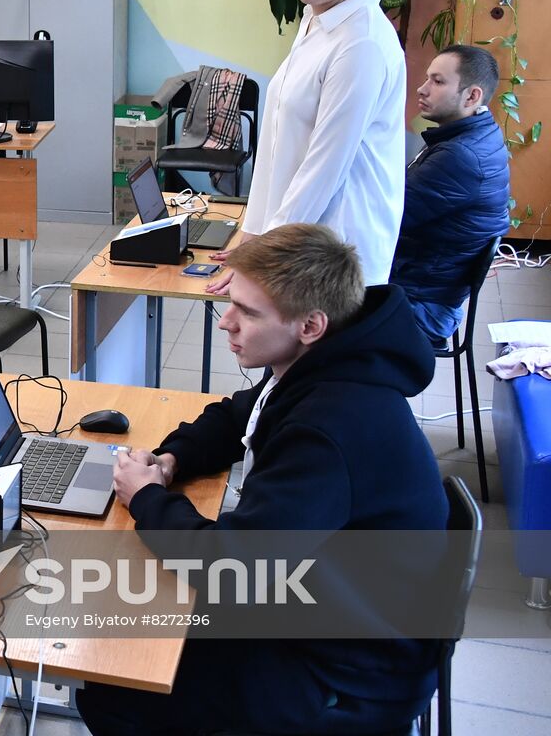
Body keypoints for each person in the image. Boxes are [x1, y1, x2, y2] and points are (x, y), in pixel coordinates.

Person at [78, 223, 446, 736]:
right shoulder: (326, 362)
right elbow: (237, 417)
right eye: (232, 301)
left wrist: (148, 500)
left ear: (310, 326)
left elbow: (234, 569)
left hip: (347, 674)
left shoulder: (330, 427)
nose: (226, 322)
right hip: (326, 610)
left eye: (247, 312)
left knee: (119, 689)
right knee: (127, 647)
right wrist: (172, 460)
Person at [210, 0, 405, 292]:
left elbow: (324, 167)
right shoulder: (319, 15)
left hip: (336, 245)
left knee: (313, 353)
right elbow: (279, 140)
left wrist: (267, 248)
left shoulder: (360, 44)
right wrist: (252, 233)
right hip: (296, 231)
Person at [390, 45, 510, 345]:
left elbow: (386, 218)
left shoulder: (460, 156)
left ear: (472, 96)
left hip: (422, 306)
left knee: (299, 301)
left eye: (438, 81)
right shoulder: (472, 134)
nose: (422, 88)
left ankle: (283, 392)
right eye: (428, 78)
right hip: (426, 289)